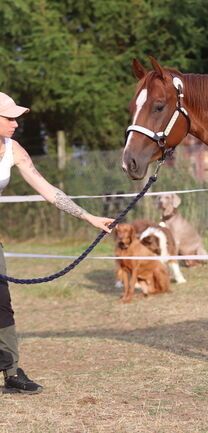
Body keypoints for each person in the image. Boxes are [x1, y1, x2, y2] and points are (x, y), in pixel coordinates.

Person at [0, 92, 114, 394]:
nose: (15, 123)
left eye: (16, 117)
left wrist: (89, 217)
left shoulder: (14, 150)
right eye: (8, 117)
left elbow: (49, 191)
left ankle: (11, 372)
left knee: (2, 304)